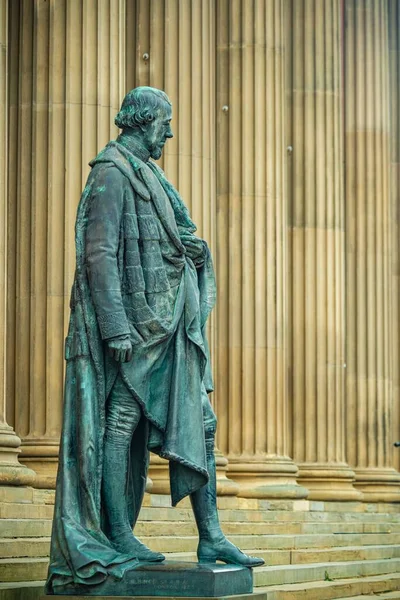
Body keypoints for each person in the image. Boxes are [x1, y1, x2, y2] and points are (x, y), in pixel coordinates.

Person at [46, 87, 264, 594]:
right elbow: (97, 254)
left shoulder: (153, 176)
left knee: (203, 425)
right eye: (165, 121)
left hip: (168, 329)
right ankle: (118, 533)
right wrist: (116, 325)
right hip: (138, 328)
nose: (170, 131)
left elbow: (175, 237)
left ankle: (211, 537)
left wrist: (196, 248)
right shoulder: (111, 172)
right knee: (120, 421)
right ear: (144, 121)